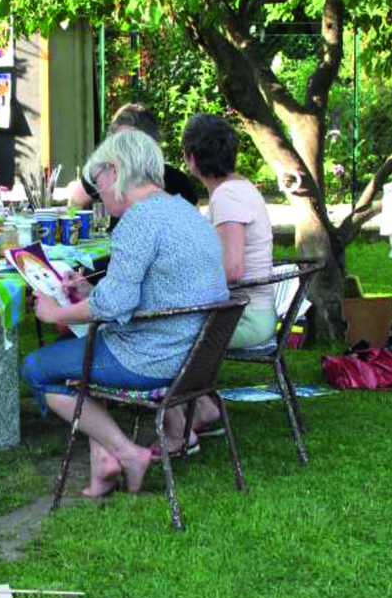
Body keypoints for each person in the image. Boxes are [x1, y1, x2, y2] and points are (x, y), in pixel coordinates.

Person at [21, 129, 228, 497]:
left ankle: (126, 453)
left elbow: (113, 307)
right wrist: (88, 291)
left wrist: (55, 314)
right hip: (195, 357)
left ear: (114, 171)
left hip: (153, 358)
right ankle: (104, 465)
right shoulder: (183, 209)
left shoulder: (138, 220)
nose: (97, 191)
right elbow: (145, 291)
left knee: (39, 369)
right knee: (82, 354)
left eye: (97, 181)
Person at [182, 114, 277, 348]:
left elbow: (232, 270)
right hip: (249, 312)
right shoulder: (239, 187)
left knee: (158, 330)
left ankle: (170, 384)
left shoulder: (227, 196)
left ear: (190, 157)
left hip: (245, 319)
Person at [66, 103, 199, 207]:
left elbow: (192, 224)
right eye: (120, 143)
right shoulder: (103, 173)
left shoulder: (176, 180)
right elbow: (75, 202)